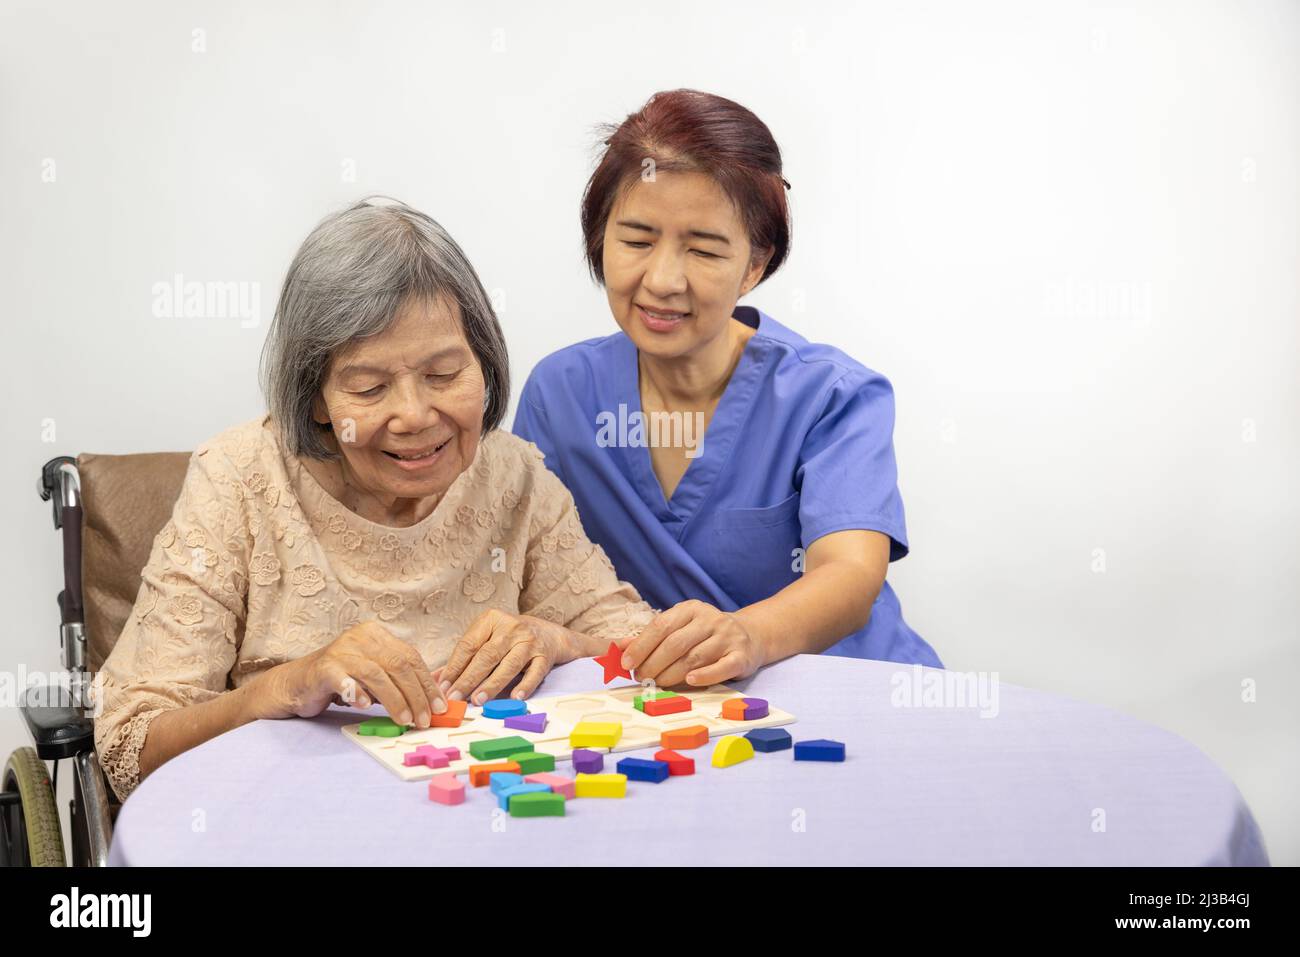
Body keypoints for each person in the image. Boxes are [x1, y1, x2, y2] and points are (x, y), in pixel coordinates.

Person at [92, 198, 654, 801]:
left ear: (484, 366)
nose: (414, 416)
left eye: (444, 375)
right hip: (287, 819)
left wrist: (560, 640)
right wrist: (283, 686)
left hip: (479, 816)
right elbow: (131, 747)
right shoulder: (237, 480)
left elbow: (639, 656)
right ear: (315, 399)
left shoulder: (513, 474)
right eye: (369, 387)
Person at [503, 89, 942, 691]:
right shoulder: (560, 395)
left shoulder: (832, 397)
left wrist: (749, 636)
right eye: (636, 241)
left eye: (704, 250)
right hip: (680, 714)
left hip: (853, 695)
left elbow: (849, 575)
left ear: (754, 265)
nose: (662, 280)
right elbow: (536, 574)